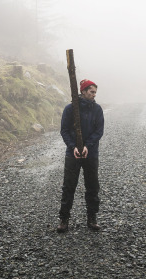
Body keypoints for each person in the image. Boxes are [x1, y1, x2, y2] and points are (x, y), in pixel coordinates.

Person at [57, 79, 105, 233]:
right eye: (91, 92)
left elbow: (99, 131)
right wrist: (73, 147)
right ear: (83, 91)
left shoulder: (97, 110)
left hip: (91, 154)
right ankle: (64, 220)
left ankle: (92, 219)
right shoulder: (70, 109)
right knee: (69, 186)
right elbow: (64, 130)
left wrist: (87, 146)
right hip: (73, 154)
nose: (94, 95)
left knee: (92, 186)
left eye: (95, 92)